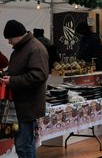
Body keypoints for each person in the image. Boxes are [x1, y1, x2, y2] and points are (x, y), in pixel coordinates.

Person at [0, 20, 49, 157]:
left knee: (24, 145)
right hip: (20, 106)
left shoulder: (35, 48)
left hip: (28, 107)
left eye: (10, 39)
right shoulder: (20, 49)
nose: (9, 42)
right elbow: (16, 70)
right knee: (23, 145)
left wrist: (13, 80)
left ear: (17, 35)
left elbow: (39, 75)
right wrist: (5, 75)